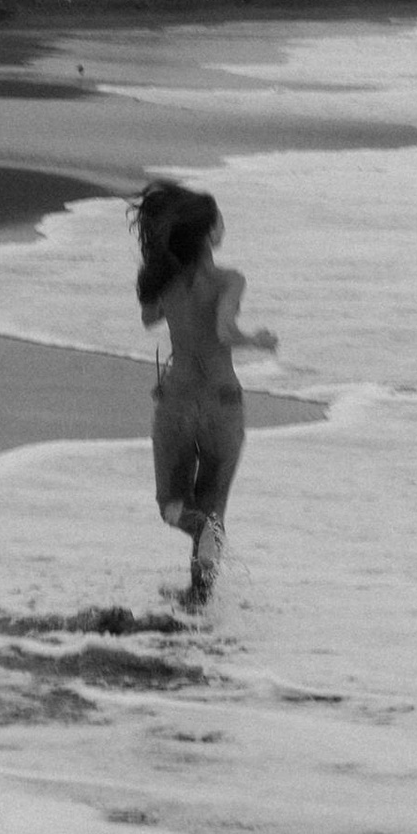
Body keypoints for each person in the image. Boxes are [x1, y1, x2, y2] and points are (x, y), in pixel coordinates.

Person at [131, 179, 274, 601]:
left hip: (178, 400)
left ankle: (196, 534)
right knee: (216, 509)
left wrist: (159, 270)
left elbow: (147, 319)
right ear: (210, 232)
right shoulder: (231, 280)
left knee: (174, 505)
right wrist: (257, 340)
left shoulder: (168, 281)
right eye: (219, 220)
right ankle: (200, 604)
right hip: (223, 402)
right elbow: (224, 328)